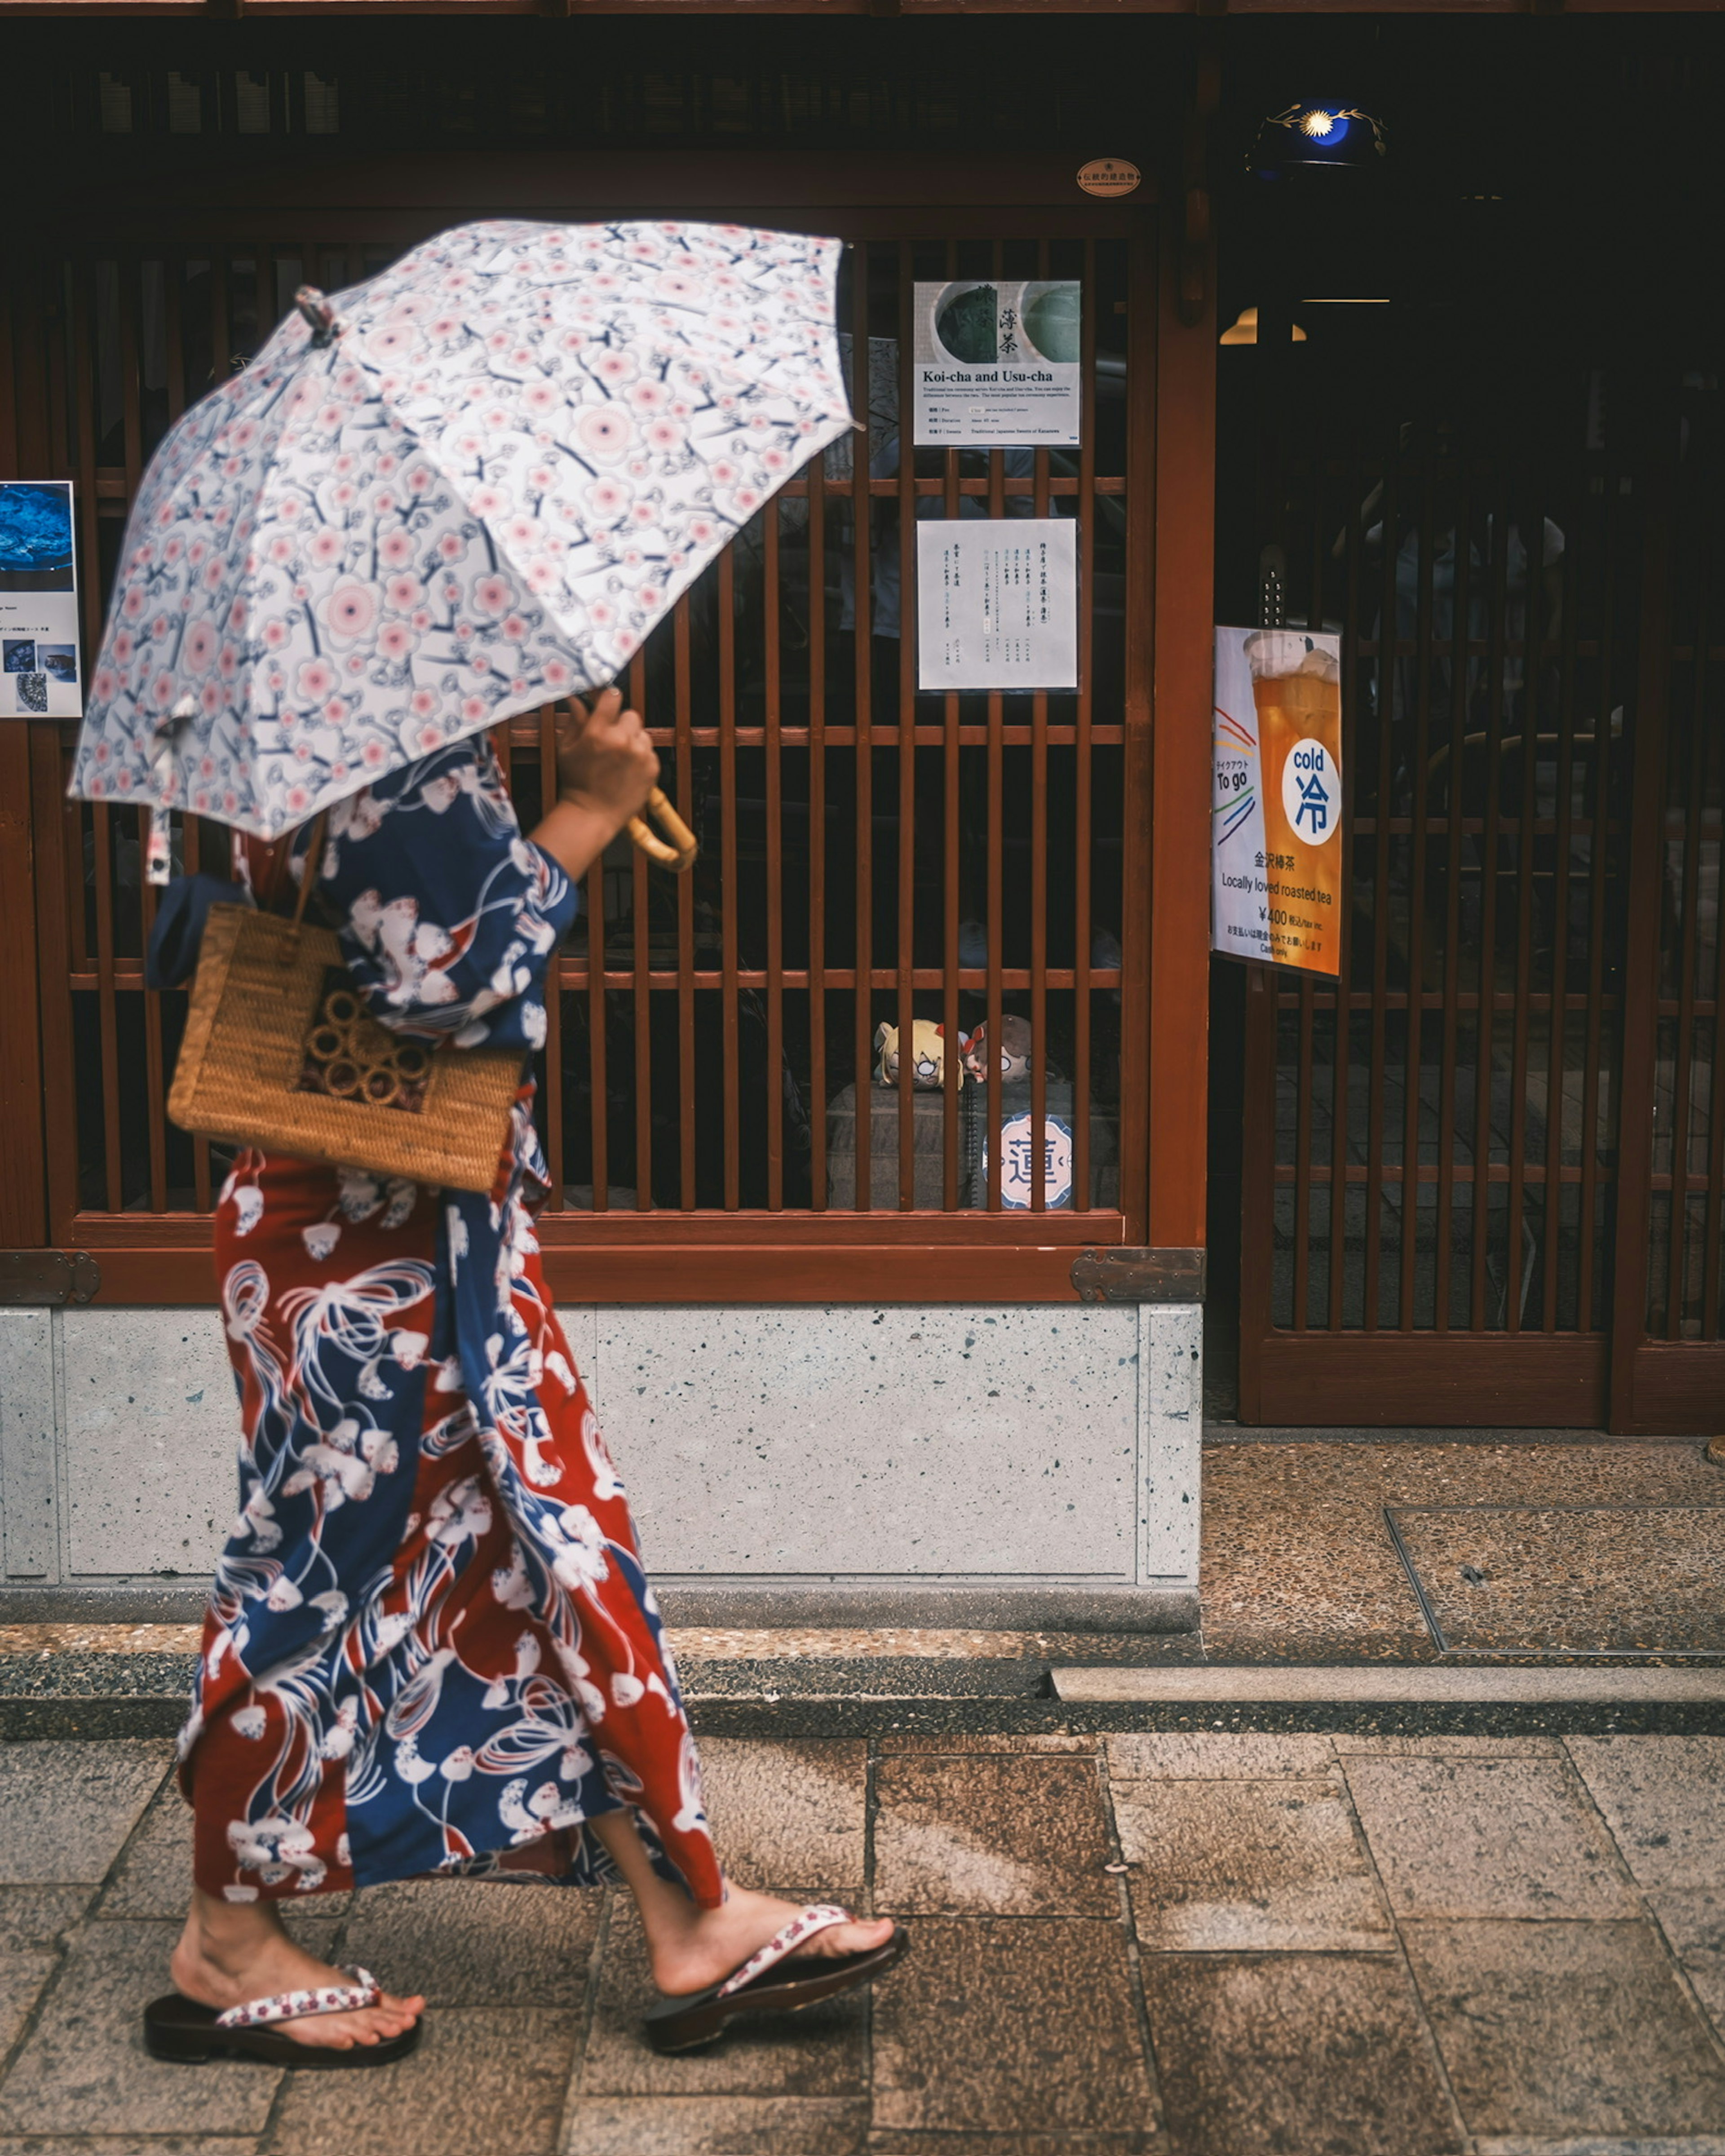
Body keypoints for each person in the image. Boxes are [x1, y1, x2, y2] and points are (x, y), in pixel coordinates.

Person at [148, 690, 902, 2066]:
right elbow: (452, 981)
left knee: (538, 1554)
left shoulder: (276, 701)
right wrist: (593, 808)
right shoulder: (383, 711)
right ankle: (225, 1936)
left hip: (374, 1221)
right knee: (322, 1579)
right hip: (374, 1244)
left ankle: (692, 1915)